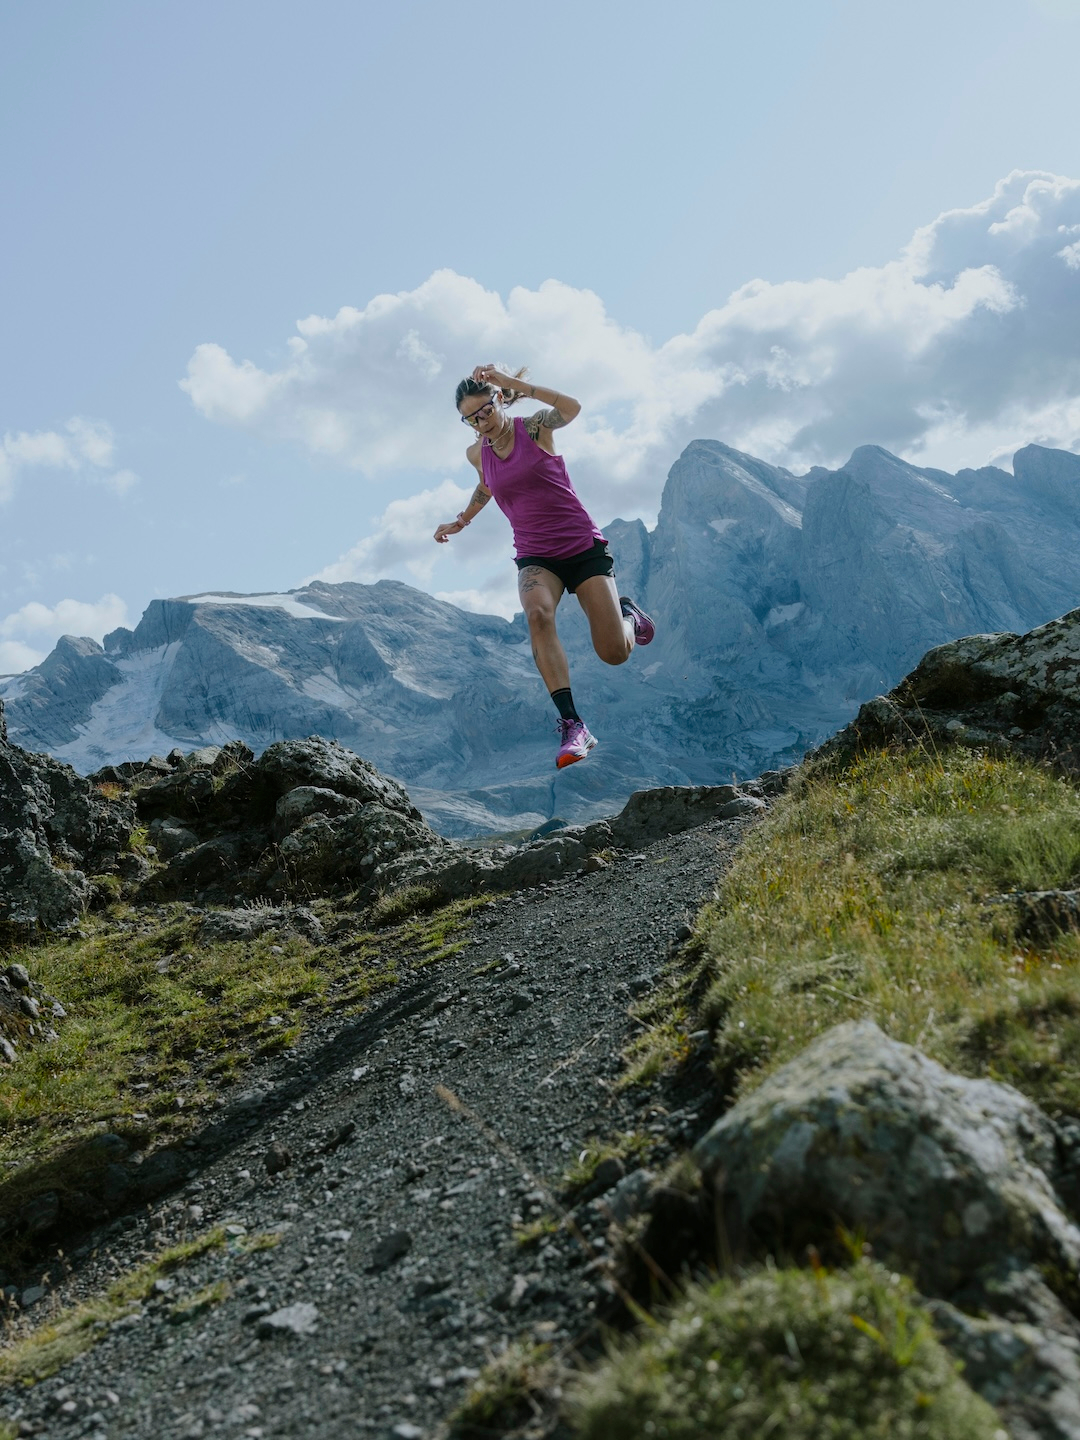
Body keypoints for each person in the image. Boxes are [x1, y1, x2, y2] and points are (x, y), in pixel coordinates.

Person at [434, 363, 654, 769]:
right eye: (471, 418)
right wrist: (462, 520)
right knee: (537, 613)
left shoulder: (534, 428)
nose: (481, 422)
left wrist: (516, 384)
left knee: (614, 653)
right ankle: (573, 725)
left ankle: (628, 617)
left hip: (581, 546)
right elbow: (487, 485)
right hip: (536, 554)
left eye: (485, 411)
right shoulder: (476, 453)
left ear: (497, 400)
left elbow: (572, 407)